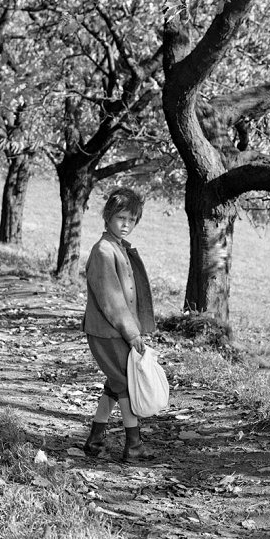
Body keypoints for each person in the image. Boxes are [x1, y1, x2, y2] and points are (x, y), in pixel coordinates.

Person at [82, 187, 156, 462]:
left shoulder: (117, 248)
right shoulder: (103, 250)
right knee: (125, 384)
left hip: (115, 330)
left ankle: (95, 439)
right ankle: (134, 445)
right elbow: (112, 301)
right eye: (121, 218)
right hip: (108, 331)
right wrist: (132, 333)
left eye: (132, 220)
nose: (126, 225)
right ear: (108, 216)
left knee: (116, 383)